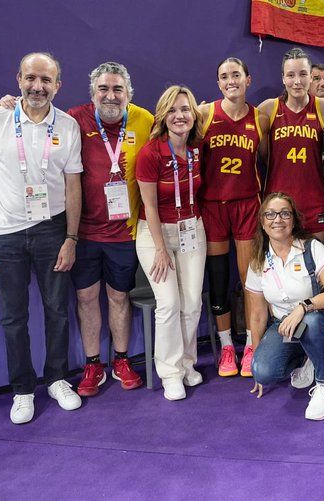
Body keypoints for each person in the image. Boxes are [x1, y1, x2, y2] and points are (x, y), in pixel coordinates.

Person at [0, 62, 154, 397]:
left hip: (125, 232)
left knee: (119, 296)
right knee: (85, 297)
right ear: (93, 92)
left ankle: (121, 360)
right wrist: (10, 105)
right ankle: (93, 364)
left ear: (129, 93)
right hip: (82, 231)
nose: (110, 96)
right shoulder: (73, 119)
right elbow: (36, 116)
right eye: (104, 89)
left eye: (118, 89)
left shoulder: (145, 120)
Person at [0, 52, 83, 424]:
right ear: (18, 78)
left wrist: (71, 237)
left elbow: (72, 185)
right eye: (31, 78)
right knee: (13, 317)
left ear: (57, 86)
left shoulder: (66, 126)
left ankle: (57, 379)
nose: (38, 87)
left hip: (53, 229)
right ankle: (22, 390)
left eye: (46, 81)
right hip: (6, 232)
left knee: (57, 311)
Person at [245, 192, 324, 420]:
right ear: (262, 222)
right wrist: (256, 357)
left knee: (309, 320)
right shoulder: (258, 261)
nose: (277, 220)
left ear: (293, 220)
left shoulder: (311, 248)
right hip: (283, 326)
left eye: (284, 213)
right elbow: (258, 315)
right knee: (263, 371)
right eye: (270, 214)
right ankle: (307, 357)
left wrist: (303, 307)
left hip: (318, 321)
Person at [198, 57, 269, 379]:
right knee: (218, 278)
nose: (231, 81)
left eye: (236, 75)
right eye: (224, 76)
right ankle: (227, 345)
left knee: (250, 282)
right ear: (218, 83)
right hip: (213, 206)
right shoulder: (205, 114)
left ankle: (252, 343)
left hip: (246, 205)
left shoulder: (261, 119)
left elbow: (265, 160)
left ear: (248, 79)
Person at [135, 85, 207, 401]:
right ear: (163, 116)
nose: (180, 116)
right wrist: (161, 248)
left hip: (193, 228)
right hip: (155, 234)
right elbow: (149, 205)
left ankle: (187, 362)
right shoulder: (151, 153)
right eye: (173, 110)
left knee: (192, 303)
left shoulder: (196, 148)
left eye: (186, 109)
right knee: (169, 304)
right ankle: (170, 373)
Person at [258, 47, 324, 242]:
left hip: (314, 201)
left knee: (315, 267)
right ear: (283, 78)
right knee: (279, 269)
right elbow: (264, 156)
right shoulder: (269, 108)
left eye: (303, 74)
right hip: (277, 204)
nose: (297, 81)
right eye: (291, 75)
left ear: (311, 77)